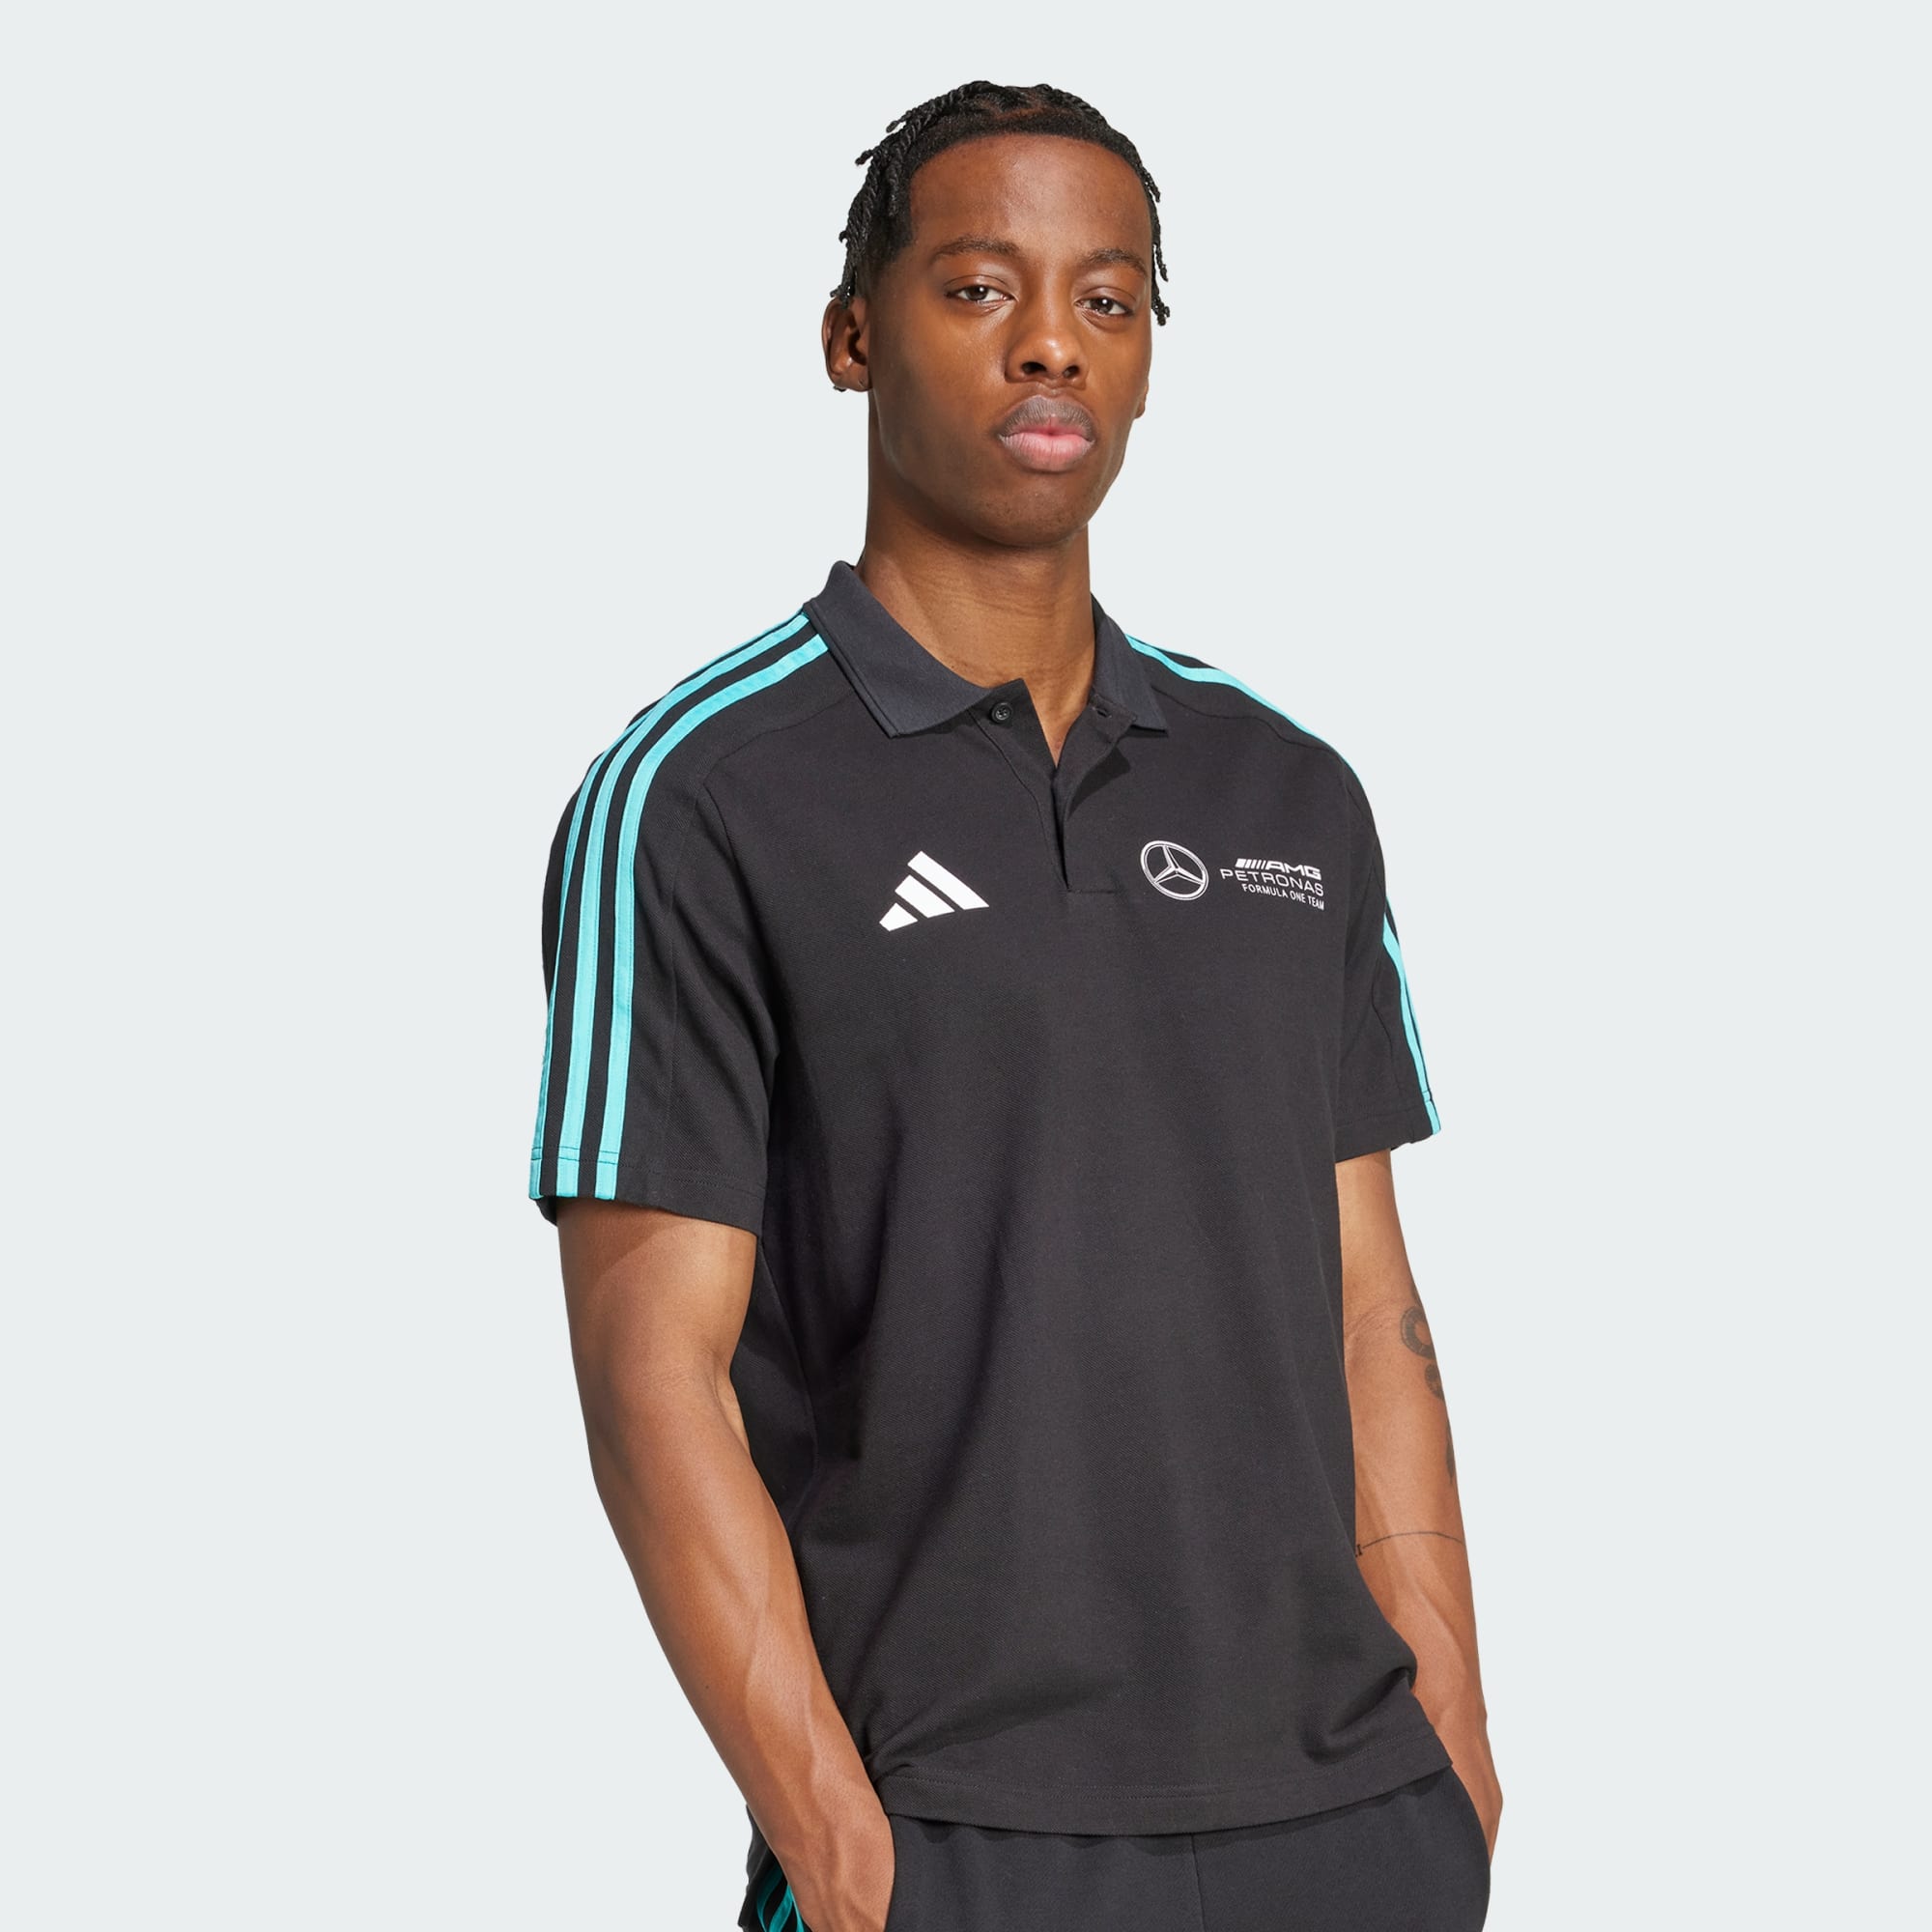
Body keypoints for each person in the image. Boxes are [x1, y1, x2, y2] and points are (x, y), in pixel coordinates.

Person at [529, 79, 1499, 1932]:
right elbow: (649, 1366)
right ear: (851, 336)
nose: (1052, 341)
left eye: (1107, 298)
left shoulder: (1291, 791)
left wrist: (1449, 1746)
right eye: (980, 288)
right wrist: (843, 1850)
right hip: (957, 1838)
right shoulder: (705, 790)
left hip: (1354, 1823)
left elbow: (1370, 1306)